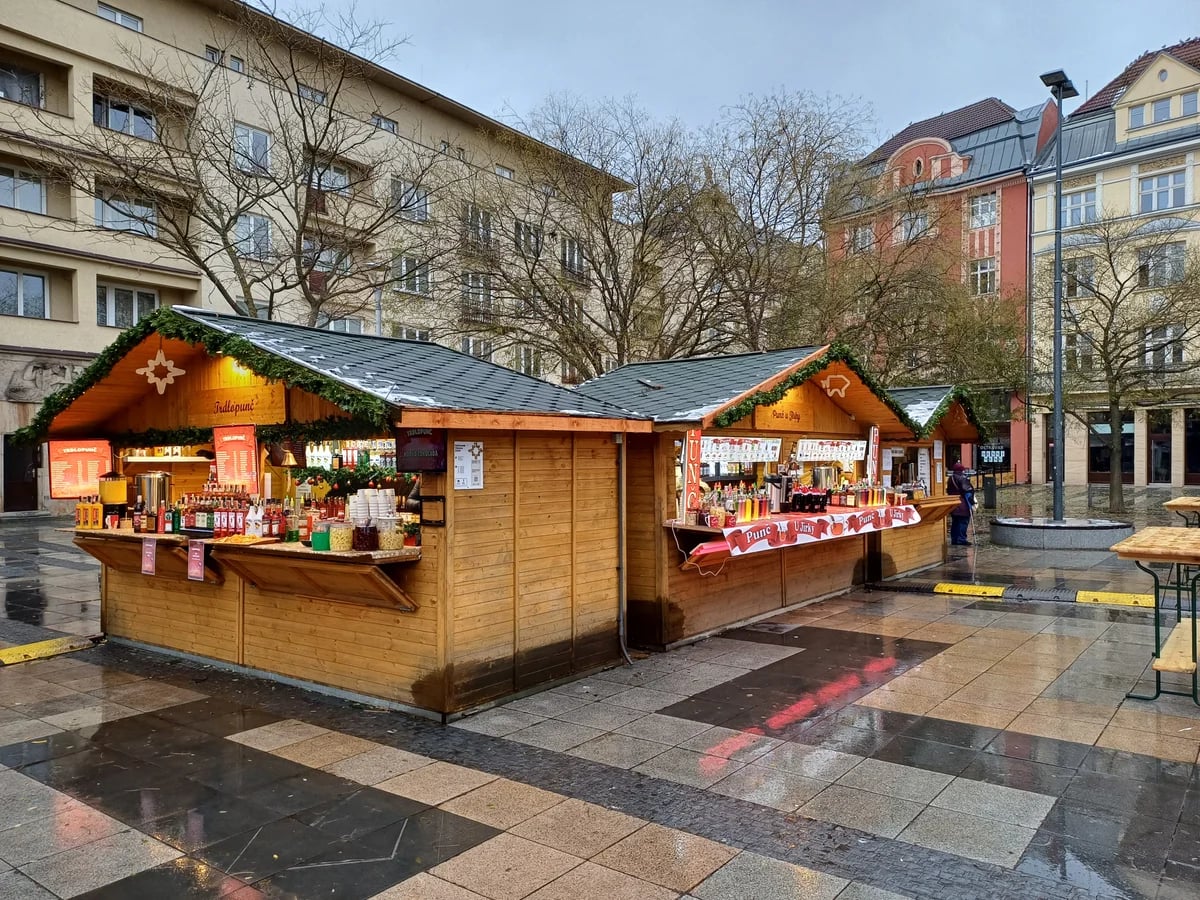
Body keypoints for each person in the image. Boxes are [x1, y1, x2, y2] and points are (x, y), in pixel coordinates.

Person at [946, 462, 974, 546]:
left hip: (953, 503)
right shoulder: (962, 479)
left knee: (955, 522)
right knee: (963, 521)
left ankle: (954, 539)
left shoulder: (950, 478)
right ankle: (961, 539)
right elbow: (968, 491)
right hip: (963, 504)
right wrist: (971, 501)